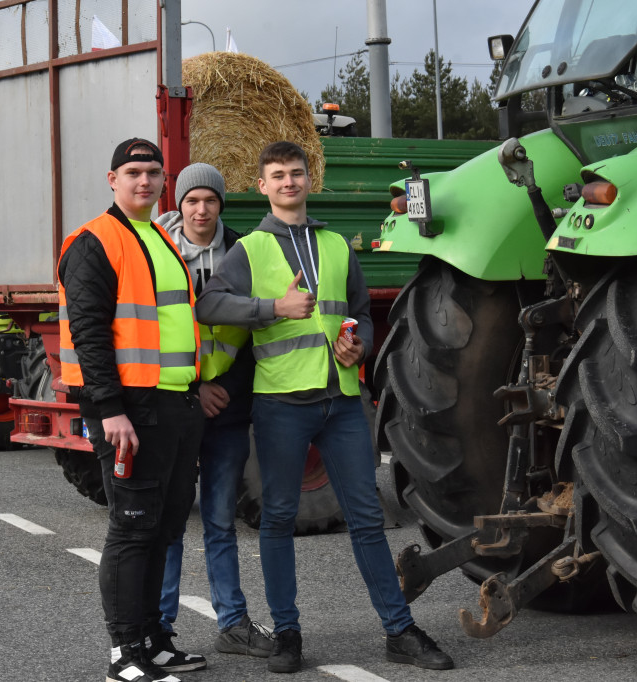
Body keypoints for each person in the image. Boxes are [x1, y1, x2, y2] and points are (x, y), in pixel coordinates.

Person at [197, 141, 454, 673]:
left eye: (296, 173)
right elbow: (209, 305)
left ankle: (399, 630)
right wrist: (273, 308)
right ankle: (288, 634)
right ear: (263, 186)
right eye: (277, 176)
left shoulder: (337, 245)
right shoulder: (248, 251)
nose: (288, 182)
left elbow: (357, 313)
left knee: (367, 519)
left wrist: (355, 346)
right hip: (281, 405)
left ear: (308, 179)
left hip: (341, 403)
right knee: (278, 521)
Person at [57, 138, 207, 682]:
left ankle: (152, 641)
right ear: (112, 179)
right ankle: (124, 654)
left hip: (174, 404)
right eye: (133, 172)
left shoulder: (159, 239)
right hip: (131, 411)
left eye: (152, 172)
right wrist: (109, 409)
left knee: (163, 529)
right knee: (132, 527)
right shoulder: (96, 243)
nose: (144, 181)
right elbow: (89, 334)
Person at [156, 164, 272, 657]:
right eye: (191, 201)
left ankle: (232, 624)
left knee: (221, 522)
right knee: (170, 522)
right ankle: (157, 627)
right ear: (179, 205)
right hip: (177, 404)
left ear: (222, 204)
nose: (200, 210)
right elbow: (151, 329)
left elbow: (253, 333)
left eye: (209, 200)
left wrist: (222, 389)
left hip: (227, 407)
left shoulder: (242, 251)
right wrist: (195, 388)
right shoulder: (157, 252)